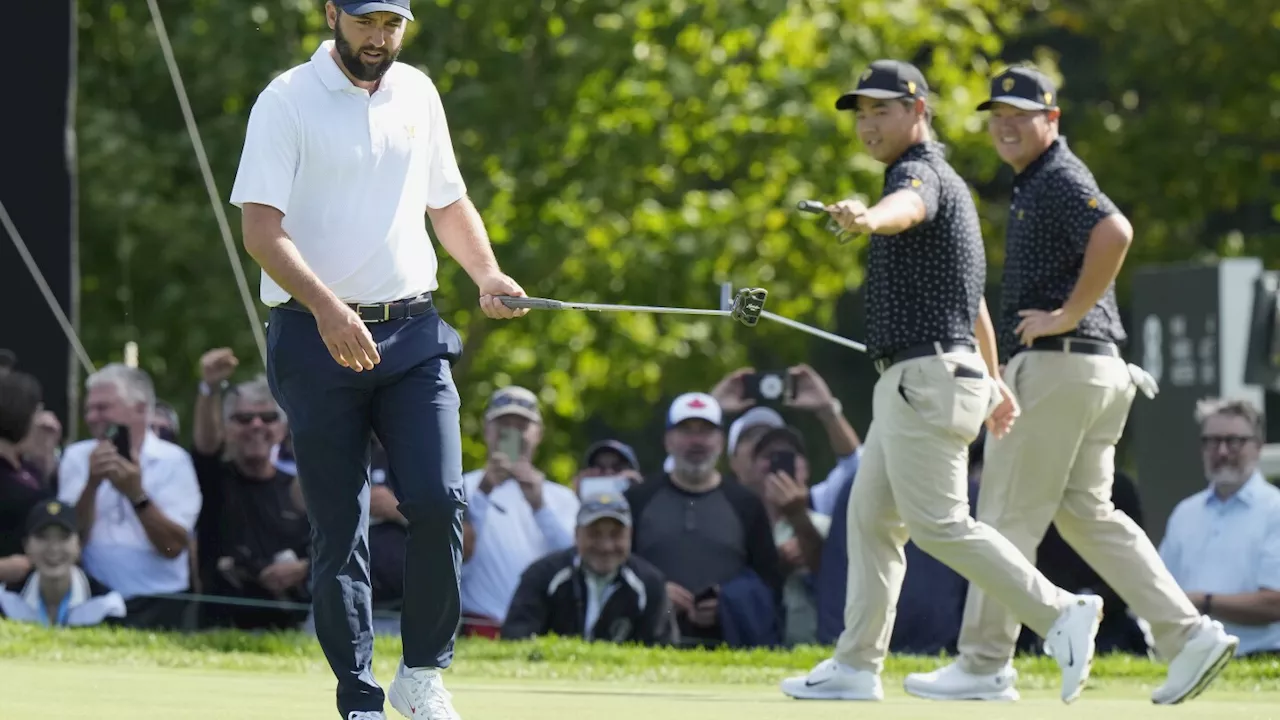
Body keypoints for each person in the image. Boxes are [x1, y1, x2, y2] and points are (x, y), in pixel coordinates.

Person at [229, 1, 528, 718]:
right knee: (341, 524)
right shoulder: (286, 100)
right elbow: (261, 233)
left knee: (439, 499)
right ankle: (358, 691)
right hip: (311, 333)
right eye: (365, 22)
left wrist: (487, 274)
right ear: (333, 14)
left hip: (413, 333)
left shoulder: (418, 92)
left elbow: (448, 203)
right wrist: (330, 310)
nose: (378, 38)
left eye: (392, 25)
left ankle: (422, 673)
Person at [904, 66, 1238, 706]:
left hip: (1061, 363)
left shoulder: (1057, 176)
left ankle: (982, 662)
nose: (1004, 125)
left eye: (1019, 115)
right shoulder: (1036, 181)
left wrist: (1067, 314)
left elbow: (1116, 231)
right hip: (1097, 371)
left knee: (1004, 516)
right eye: (996, 115)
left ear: (1051, 121)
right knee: (1089, 515)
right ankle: (1187, 635)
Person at [779, 59, 1104, 705]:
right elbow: (973, 302)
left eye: (883, 110)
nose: (869, 124)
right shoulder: (946, 184)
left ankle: (1060, 613)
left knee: (939, 524)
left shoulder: (919, 174)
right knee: (871, 521)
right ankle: (854, 665)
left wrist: (870, 218)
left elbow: (906, 205)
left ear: (918, 112)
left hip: (922, 379)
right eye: (861, 113)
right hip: (927, 377)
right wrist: (993, 379)